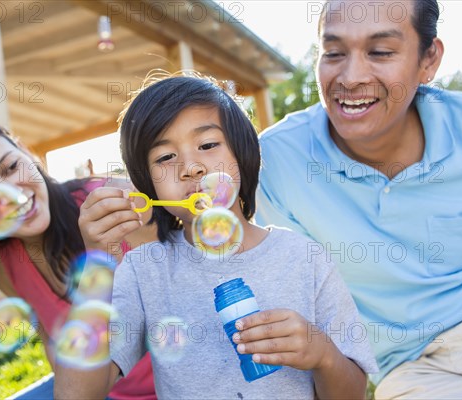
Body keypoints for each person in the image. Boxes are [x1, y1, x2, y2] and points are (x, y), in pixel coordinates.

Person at [54, 75, 377, 399]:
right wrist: (98, 263)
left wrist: (322, 354)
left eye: (207, 145)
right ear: (148, 185)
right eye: (165, 157)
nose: (191, 167)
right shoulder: (145, 272)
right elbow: (76, 395)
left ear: (242, 154)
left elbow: (353, 393)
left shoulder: (303, 257)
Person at [256, 1, 462, 398]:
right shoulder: (275, 165)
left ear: (429, 60)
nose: (351, 78)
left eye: (381, 52)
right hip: (413, 368)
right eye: (333, 53)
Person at [0, 115, 158, 399]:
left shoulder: (117, 203)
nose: (12, 194)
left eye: (12, 166)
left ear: (25, 152)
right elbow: (57, 349)